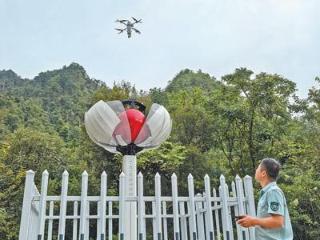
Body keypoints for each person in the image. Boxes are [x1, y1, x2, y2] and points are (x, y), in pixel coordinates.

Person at [237, 158, 293, 240]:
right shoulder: (267, 192)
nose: (256, 170)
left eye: (258, 168)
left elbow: (278, 221)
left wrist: (254, 221)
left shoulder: (273, 191)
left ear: (263, 173)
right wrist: (251, 220)